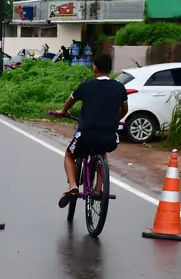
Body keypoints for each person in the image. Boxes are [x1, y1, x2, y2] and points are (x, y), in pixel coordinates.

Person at [55, 52, 128, 208]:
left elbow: (71, 99)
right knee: (102, 152)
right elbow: (124, 109)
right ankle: (98, 188)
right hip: (109, 137)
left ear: (95, 68)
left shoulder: (86, 85)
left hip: (86, 135)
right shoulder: (119, 87)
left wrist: (63, 111)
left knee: (69, 154)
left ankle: (73, 186)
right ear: (110, 69)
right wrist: (115, 118)